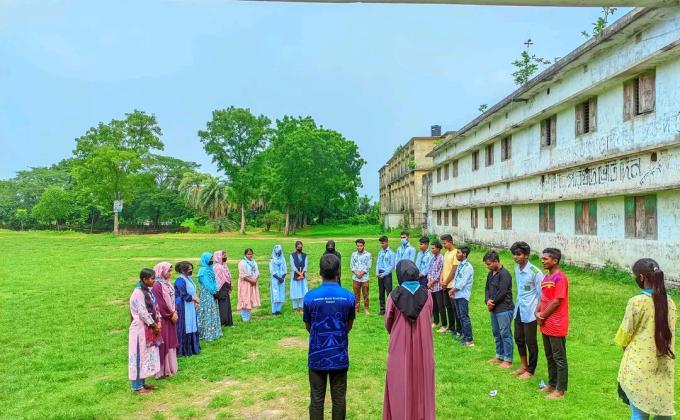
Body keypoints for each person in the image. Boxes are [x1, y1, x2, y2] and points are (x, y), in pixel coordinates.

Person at [616, 258, 676, 419]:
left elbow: (624, 335)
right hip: (664, 365)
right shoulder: (670, 303)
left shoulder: (637, 302)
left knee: (639, 413)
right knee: (663, 413)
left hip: (639, 366)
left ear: (641, 277)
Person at [304, 254, 355, 420]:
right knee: (339, 399)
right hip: (339, 355)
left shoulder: (310, 297)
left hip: (316, 355)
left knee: (316, 399)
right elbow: (348, 326)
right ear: (338, 271)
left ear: (320, 271)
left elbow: (309, 326)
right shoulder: (348, 296)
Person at [383, 260, 435, 420]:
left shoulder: (393, 296)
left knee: (400, 379)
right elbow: (429, 314)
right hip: (423, 344)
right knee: (422, 380)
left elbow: (388, 322)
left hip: (400, 343)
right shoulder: (427, 295)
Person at [536, 248, 569, 400]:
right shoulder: (546, 277)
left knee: (559, 357)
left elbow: (556, 301)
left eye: (546, 259)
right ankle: (551, 384)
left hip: (556, 323)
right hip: (545, 323)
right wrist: (537, 312)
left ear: (555, 261)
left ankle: (560, 390)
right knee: (549, 355)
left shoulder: (560, 278)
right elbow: (542, 297)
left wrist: (542, 315)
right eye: (542, 258)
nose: (542, 261)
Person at [510, 241, 543, 380]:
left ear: (526, 255)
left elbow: (542, 295)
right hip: (519, 309)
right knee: (518, 338)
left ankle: (531, 370)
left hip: (531, 312)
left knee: (530, 341)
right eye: (514, 254)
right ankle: (524, 365)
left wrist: (537, 312)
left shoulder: (535, 272)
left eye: (518, 254)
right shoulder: (517, 269)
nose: (515, 257)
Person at [128, 268, 161, 395]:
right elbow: (143, 312)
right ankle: (136, 387)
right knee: (138, 356)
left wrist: (157, 322)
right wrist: (154, 325)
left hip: (147, 328)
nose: (154, 281)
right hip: (139, 330)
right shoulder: (138, 293)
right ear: (144, 279)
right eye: (152, 279)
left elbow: (154, 307)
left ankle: (142, 383)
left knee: (145, 355)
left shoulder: (147, 291)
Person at [483, 250, 514, 366]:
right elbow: (487, 289)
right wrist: (487, 301)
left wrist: (492, 302)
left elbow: (502, 292)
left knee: (505, 333)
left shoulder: (505, 274)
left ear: (496, 261)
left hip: (504, 308)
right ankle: (499, 356)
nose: (487, 266)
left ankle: (508, 359)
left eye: (489, 264)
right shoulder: (490, 274)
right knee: (496, 332)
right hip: (493, 308)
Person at [151, 262, 178, 378]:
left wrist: (175, 311)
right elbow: (160, 304)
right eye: (168, 271)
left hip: (171, 316)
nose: (170, 273)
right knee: (164, 342)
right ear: (161, 271)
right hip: (163, 318)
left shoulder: (167, 283)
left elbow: (172, 299)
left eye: (171, 270)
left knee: (170, 341)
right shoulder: (157, 285)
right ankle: (162, 369)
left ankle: (171, 367)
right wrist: (170, 314)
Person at [174, 261, 200, 357]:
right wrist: (194, 299)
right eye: (189, 269)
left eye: (191, 268)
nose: (191, 270)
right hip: (183, 305)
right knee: (185, 325)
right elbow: (184, 295)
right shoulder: (180, 280)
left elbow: (192, 291)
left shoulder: (188, 278)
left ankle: (193, 347)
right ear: (183, 270)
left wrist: (195, 300)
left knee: (192, 323)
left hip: (190, 304)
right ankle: (184, 349)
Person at [451, 246, 474, 347]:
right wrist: (453, 290)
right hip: (457, 294)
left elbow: (462, 283)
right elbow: (456, 279)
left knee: (464, 317)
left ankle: (469, 339)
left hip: (463, 295)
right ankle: (464, 336)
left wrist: (452, 290)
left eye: (458, 253)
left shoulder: (468, 267)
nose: (456, 255)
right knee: (460, 316)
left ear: (464, 254)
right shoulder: (460, 264)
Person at [197, 252, 222, 341]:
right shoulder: (203, 270)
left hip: (213, 292)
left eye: (212, 258)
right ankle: (206, 333)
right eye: (210, 259)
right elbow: (206, 283)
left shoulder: (210, 268)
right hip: (207, 294)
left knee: (212, 311)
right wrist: (213, 292)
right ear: (205, 260)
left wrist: (216, 290)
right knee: (207, 312)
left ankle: (214, 332)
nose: (212, 260)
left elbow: (214, 281)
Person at [439, 235, 461, 335]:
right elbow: (444, 268)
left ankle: (458, 329)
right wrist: (441, 280)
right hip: (445, 285)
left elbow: (454, 270)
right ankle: (451, 327)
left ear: (450, 242)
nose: (443, 245)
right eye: (442, 243)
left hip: (451, 285)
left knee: (455, 308)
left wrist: (446, 282)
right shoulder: (446, 253)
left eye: (444, 243)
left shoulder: (456, 253)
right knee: (448, 307)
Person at [427, 240, 446, 330]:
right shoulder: (432, 258)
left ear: (438, 249)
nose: (432, 250)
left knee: (440, 305)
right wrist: (429, 280)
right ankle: (436, 321)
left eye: (433, 248)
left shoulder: (441, 258)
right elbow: (429, 270)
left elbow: (440, 272)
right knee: (434, 305)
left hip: (438, 286)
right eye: (431, 248)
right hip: (431, 287)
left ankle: (444, 324)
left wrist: (432, 282)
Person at [237, 248, 261, 321]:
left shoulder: (254, 262)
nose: (250, 255)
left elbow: (257, 272)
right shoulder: (242, 263)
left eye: (251, 254)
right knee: (244, 299)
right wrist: (251, 281)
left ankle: (248, 316)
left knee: (250, 298)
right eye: (248, 254)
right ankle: (244, 318)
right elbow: (242, 275)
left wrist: (255, 280)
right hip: (245, 283)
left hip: (253, 283)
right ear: (245, 254)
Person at [350, 239, 372, 315]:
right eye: (358, 246)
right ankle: (356, 308)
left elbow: (368, 266)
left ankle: (366, 308)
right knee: (356, 294)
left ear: (364, 246)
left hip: (365, 278)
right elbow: (352, 265)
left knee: (365, 294)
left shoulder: (368, 255)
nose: (359, 247)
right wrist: (356, 273)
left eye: (361, 246)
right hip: (355, 278)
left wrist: (361, 273)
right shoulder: (353, 254)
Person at [376, 236, 396, 316]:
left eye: (383, 243)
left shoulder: (391, 253)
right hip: (380, 273)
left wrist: (384, 274)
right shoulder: (380, 252)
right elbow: (377, 263)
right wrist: (377, 272)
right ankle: (382, 309)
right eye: (381, 243)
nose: (382, 245)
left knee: (388, 292)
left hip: (387, 274)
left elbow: (392, 266)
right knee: (381, 292)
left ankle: (389, 309)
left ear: (387, 242)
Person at [213, 250, 234, 326]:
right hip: (220, 288)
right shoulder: (217, 267)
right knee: (223, 305)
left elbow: (228, 277)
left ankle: (228, 322)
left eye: (225, 255)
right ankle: (222, 322)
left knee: (227, 305)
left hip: (225, 288)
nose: (225, 257)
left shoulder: (224, 265)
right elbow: (218, 279)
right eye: (223, 255)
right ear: (218, 256)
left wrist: (229, 286)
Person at [291, 241, 309, 314]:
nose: (300, 248)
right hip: (295, 275)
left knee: (302, 291)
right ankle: (295, 308)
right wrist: (298, 273)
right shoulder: (292, 255)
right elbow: (293, 266)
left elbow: (306, 265)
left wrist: (302, 273)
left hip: (303, 275)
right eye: (298, 247)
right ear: (296, 247)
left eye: (301, 247)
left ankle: (301, 307)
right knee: (295, 291)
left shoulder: (305, 255)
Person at [269, 244, 287, 315]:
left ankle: (278, 310)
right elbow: (272, 271)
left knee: (281, 293)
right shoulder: (272, 260)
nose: (279, 253)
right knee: (275, 294)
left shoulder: (283, 259)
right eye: (277, 251)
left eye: (280, 251)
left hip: (282, 279)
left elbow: (285, 269)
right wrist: (278, 278)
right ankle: (274, 311)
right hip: (275, 279)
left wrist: (282, 278)